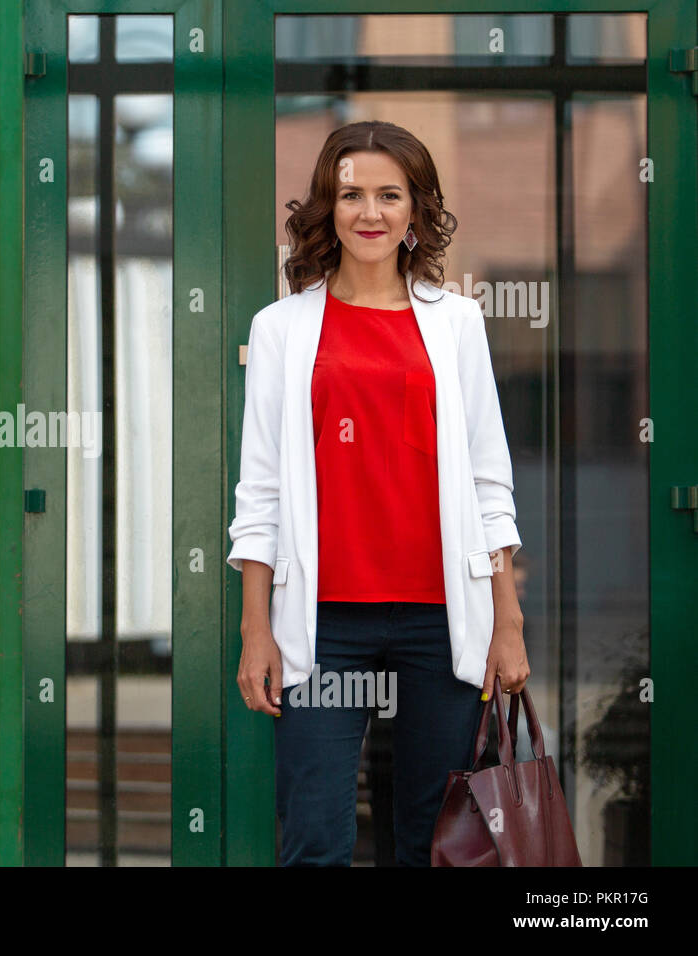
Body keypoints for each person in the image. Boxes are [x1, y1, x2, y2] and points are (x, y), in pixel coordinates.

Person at [226, 120, 530, 866]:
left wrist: (508, 618)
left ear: (416, 210)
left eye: (389, 195)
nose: (370, 211)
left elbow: (490, 477)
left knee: (433, 838)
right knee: (317, 834)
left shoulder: (456, 324)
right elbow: (259, 491)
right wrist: (254, 629)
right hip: (323, 624)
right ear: (328, 208)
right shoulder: (281, 329)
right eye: (351, 193)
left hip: (442, 617)